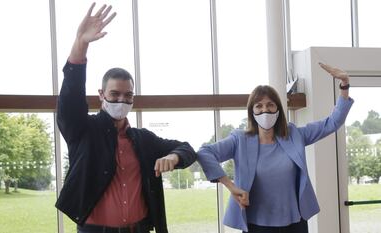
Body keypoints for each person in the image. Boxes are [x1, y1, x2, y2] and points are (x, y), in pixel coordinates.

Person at [55, 3, 197, 233]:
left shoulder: (143, 139)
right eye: (114, 94)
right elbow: (70, 97)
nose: (121, 100)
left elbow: (188, 149)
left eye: (128, 95)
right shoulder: (83, 130)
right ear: (101, 95)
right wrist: (81, 44)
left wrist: (174, 156)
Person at [197, 63, 353, 233]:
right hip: (257, 226)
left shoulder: (294, 135)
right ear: (252, 112)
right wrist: (230, 185)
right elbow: (205, 153)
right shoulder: (240, 140)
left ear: (278, 109)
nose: (265, 110)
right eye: (259, 106)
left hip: (295, 224)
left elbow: (333, 123)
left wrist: (344, 84)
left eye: (270, 105)